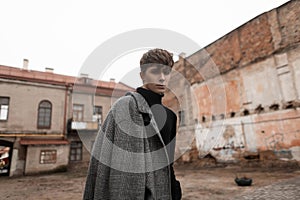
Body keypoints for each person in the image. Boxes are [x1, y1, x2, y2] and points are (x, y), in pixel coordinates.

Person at [83, 48, 182, 200]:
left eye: (166, 72)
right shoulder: (124, 106)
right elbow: (102, 159)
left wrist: (174, 189)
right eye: (155, 72)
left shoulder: (170, 117)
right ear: (142, 75)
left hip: (161, 192)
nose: (162, 78)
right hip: (125, 191)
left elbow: (167, 162)